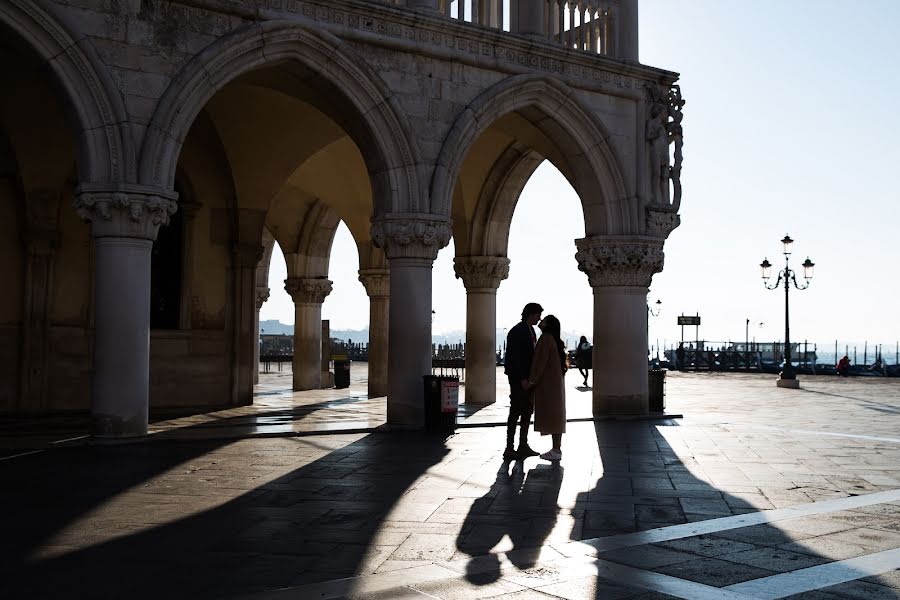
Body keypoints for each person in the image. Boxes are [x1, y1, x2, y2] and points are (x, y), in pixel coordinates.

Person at [503, 302, 543, 460]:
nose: (539, 319)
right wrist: (522, 379)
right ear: (531, 314)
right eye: (538, 315)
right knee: (515, 411)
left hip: (528, 378)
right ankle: (509, 447)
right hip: (519, 379)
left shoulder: (530, 330)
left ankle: (522, 445)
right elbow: (517, 358)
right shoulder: (518, 331)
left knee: (526, 411)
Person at [527, 315, 567, 461]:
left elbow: (539, 362)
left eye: (543, 320)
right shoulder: (555, 340)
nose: (540, 321)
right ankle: (556, 449)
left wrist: (531, 381)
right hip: (555, 383)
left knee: (552, 415)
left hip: (547, 384)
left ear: (548, 325)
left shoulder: (545, 339)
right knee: (556, 416)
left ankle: (556, 450)